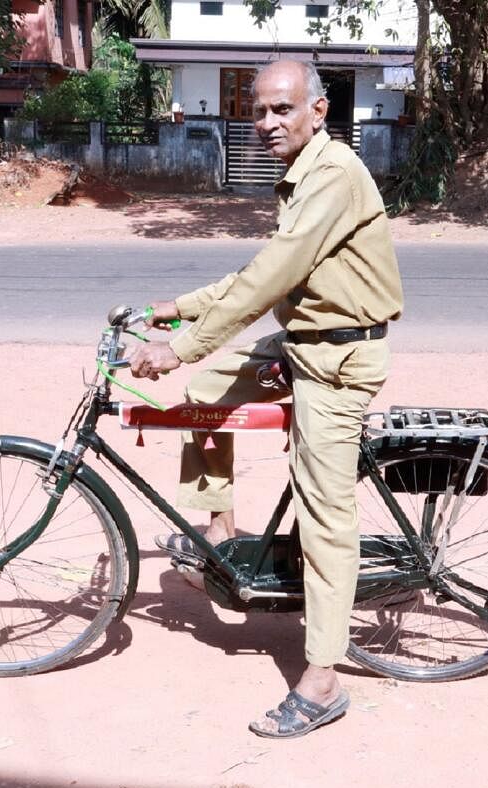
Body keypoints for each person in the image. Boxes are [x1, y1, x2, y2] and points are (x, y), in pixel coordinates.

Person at [128, 59, 403, 739]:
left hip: (337, 359)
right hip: (301, 340)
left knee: (324, 514)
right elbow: (264, 274)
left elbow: (272, 275)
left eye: (283, 109)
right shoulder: (302, 176)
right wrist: (180, 309)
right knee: (203, 395)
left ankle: (323, 681)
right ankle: (221, 537)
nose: (267, 122)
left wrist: (183, 341)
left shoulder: (333, 173)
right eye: (259, 110)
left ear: (319, 110)